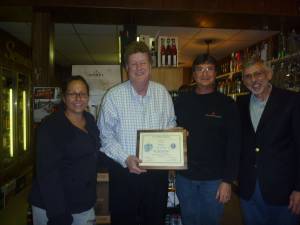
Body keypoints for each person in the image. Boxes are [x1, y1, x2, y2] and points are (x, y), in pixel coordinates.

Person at [98, 41, 176, 225]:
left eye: (143, 63)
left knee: (155, 219)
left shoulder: (163, 94)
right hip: (124, 173)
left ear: (150, 66)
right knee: (124, 220)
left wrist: (176, 137)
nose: (139, 68)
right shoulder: (113, 96)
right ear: (127, 68)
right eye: (134, 64)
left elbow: (170, 125)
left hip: (156, 177)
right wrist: (126, 158)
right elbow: (104, 137)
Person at [174, 53, 241, 225]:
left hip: (214, 180)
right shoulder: (181, 102)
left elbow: (234, 145)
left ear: (215, 73)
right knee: (188, 220)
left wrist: (228, 180)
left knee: (210, 221)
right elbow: (170, 130)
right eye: (200, 69)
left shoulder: (227, 104)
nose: (204, 73)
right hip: (185, 177)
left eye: (209, 69)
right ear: (194, 75)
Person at [29, 76, 100, 225]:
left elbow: (94, 153)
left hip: (83, 203)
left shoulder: (90, 120)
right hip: (53, 206)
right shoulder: (50, 126)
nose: (78, 98)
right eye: (72, 93)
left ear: (88, 97)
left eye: (82, 93)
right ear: (64, 98)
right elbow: (47, 174)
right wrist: (59, 215)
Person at [237, 57, 300, 225]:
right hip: (249, 189)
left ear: (269, 74)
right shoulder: (240, 103)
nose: (254, 80)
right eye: (248, 76)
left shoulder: (292, 101)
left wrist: (299, 189)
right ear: (244, 81)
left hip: (284, 190)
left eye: (258, 74)